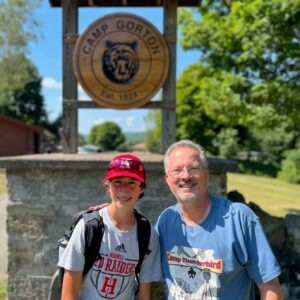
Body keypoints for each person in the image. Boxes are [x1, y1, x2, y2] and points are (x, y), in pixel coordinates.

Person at [156, 140, 284, 299]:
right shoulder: (166, 221)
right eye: (177, 170)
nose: (186, 176)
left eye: (194, 168)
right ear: (168, 179)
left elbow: (271, 290)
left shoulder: (239, 219)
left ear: (206, 174)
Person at [58, 154, 162, 300]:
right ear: (108, 186)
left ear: (142, 188)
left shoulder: (147, 234)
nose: (124, 189)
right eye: (117, 182)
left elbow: (145, 294)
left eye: (132, 182)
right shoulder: (88, 227)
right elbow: (69, 295)